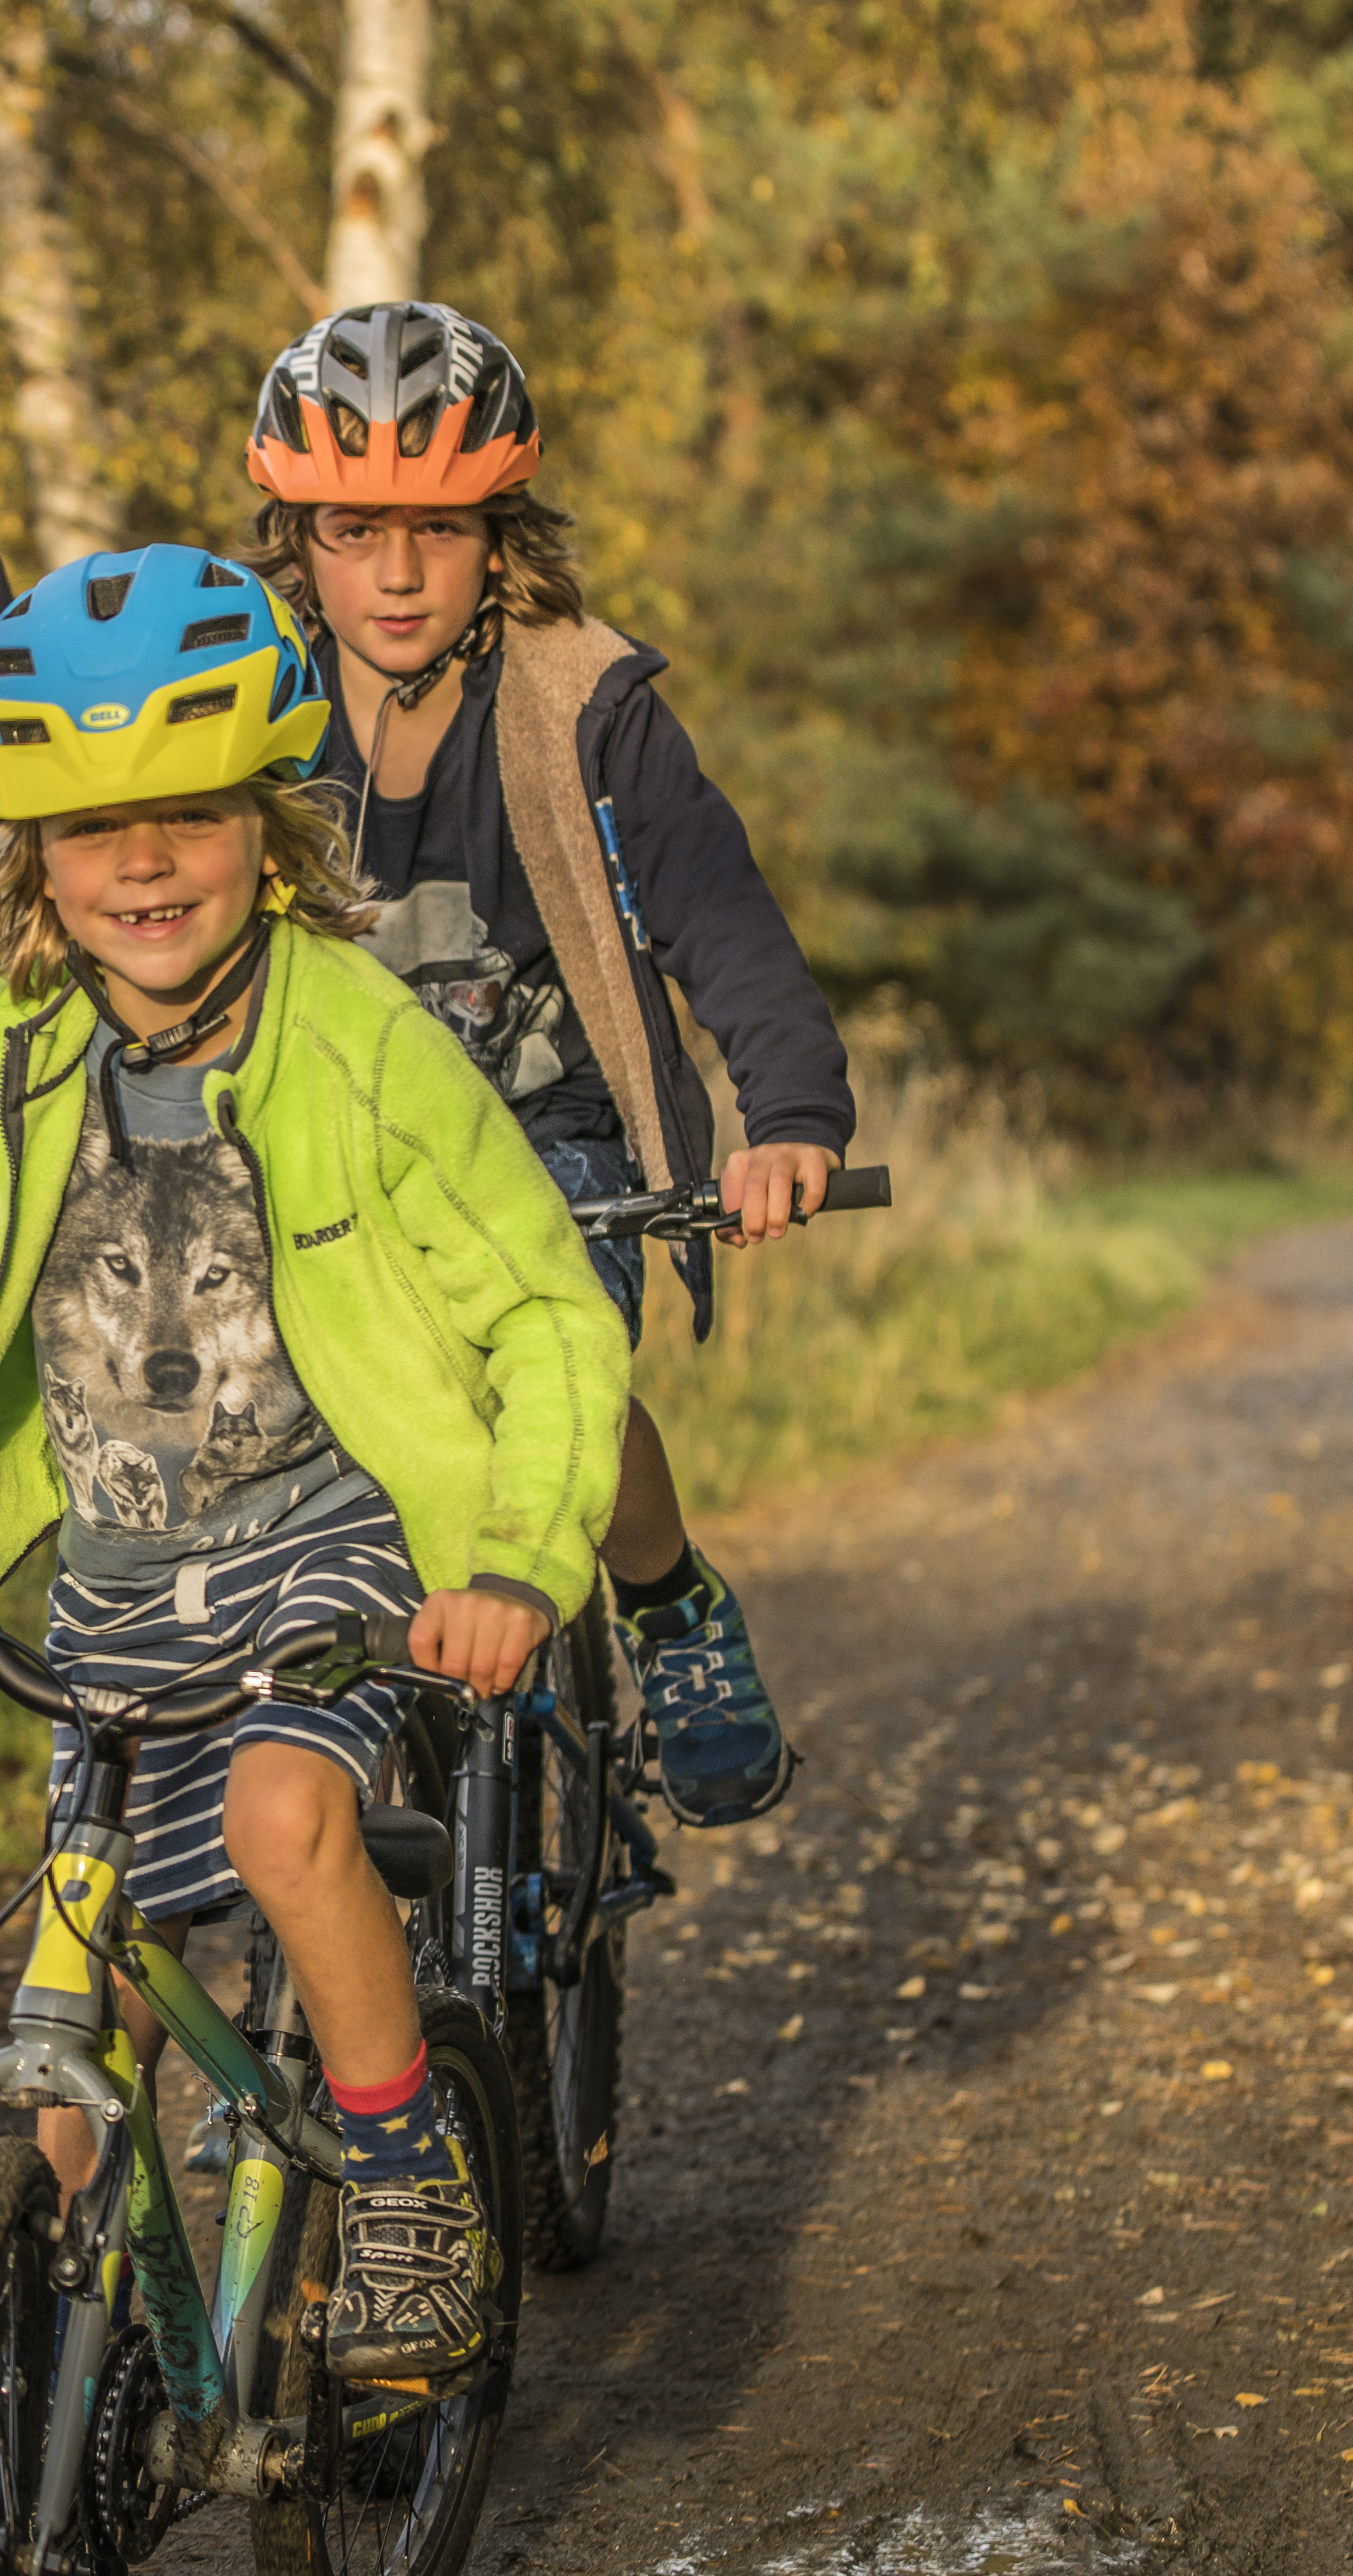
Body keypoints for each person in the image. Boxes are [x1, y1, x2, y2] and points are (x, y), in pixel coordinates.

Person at [0, 543, 627, 2381]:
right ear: (28, 860)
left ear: (271, 825)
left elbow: (548, 1311)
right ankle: (51, 2387)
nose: (146, 865)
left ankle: (404, 2183)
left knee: (283, 1825)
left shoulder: (362, 1039)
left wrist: (521, 1564)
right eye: (92, 828)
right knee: (79, 2003)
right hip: (119, 1580)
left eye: (193, 817)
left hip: (341, 1545)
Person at [243, 300, 856, 1823]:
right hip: (330, 1142)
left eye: (438, 530)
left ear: (499, 533)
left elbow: (721, 916)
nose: (394, 574)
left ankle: (665, 1599)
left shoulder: (585, 709)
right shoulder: (247, 703)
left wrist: (787, 1114)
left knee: (552, 1379)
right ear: (293, 538)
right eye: (349, 532)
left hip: (549, 1132)